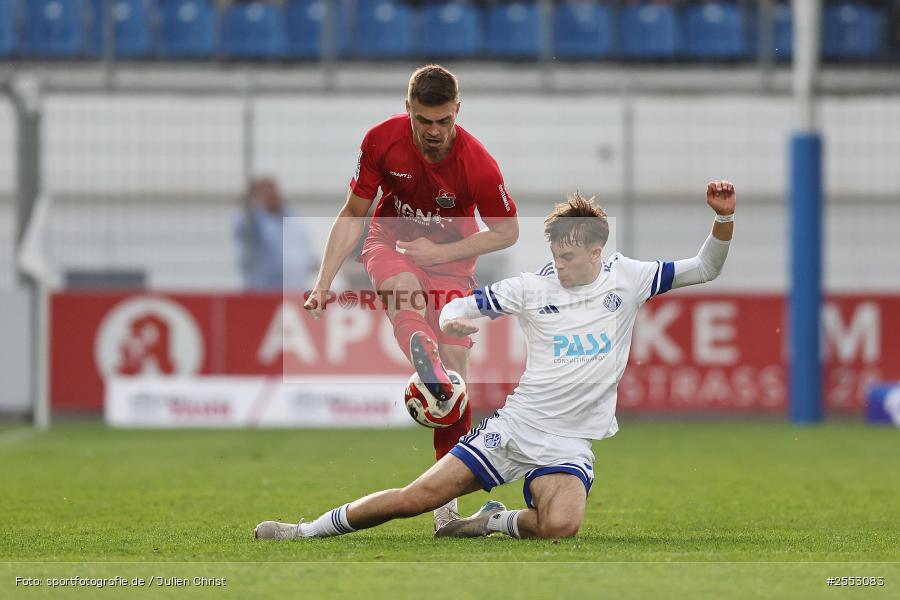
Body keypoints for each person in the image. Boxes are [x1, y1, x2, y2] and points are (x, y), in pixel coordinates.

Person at [254, 181, 736, 541]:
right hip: (517, 427)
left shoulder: (629, 278)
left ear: (596, 251)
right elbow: (465, 303)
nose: (560, 265)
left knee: (560, 528)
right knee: (416, 499)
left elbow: (706, 267)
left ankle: (490, 523)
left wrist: (723, 221)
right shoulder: (532, 286)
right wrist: (456, 322)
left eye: (569, 257)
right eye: (555, 255)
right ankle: (304, 532)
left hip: (569, 442)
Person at [302, 65, 519, 530]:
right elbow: (353, 214)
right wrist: (324, 282)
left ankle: (445, 513)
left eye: (443, 122)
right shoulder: (382, 140)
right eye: (424, 121)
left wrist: (443, 250)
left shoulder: (478, 164)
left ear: (457, 112)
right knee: (405, 291)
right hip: (391, 242)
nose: (434, 132)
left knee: (457, 393)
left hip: (452, 261)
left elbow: (507, 232)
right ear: (408, 111)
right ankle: (426, 356)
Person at [234, 176, 316, 291]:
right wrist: (249, 208)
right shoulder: (254, 219)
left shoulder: (289, 214)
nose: (272, 195)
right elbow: (243, 229)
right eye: (266, 192)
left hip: (293, 285)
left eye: (273, 190)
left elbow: (301, 240)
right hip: (263, 287)